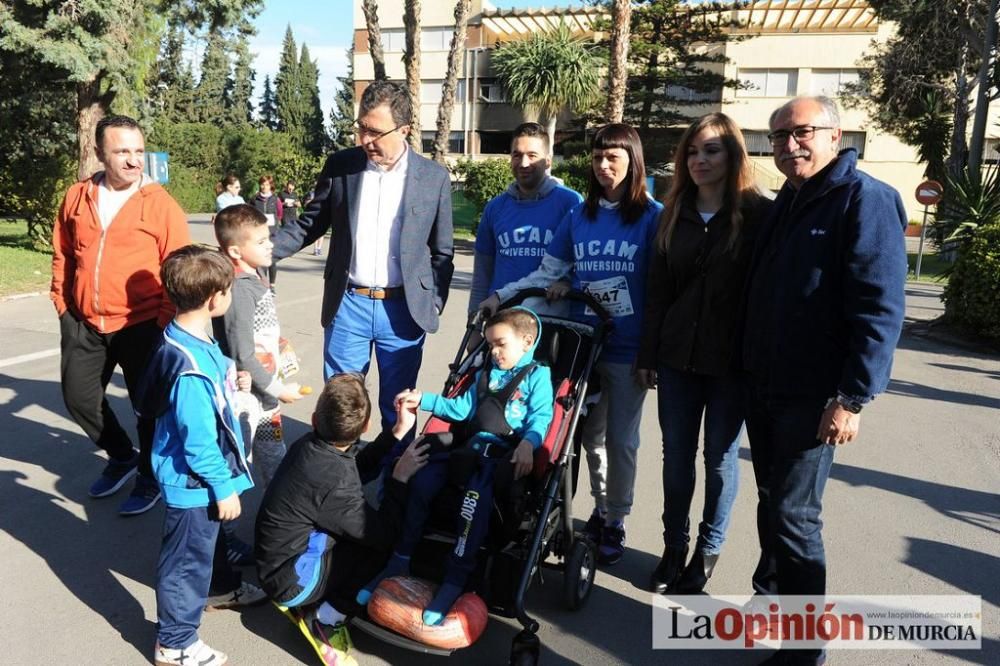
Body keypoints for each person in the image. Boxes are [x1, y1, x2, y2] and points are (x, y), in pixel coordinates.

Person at [742, 96, 906, 665]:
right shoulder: (789, 199)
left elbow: (879, 309)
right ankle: (772, 605)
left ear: (835, 135)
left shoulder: (866, 200)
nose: (789, 145)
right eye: (778, 137)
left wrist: (852, 398)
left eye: (801, 132)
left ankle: (804, 647)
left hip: (815, 398)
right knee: (772, 503)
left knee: (795, 515)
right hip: (765, 387)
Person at [481, 123, 662, 565]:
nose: (603, 166)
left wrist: (652, 351)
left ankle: (615, 519)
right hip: (584, 346)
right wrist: (501, 296)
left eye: (613, 158)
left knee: (621, 440)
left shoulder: (653, 216)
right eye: (598, 157)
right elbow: (547, 272)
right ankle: (593, 513)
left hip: (628, 350)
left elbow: (663, 289)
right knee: (587, 438)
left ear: (632, 161)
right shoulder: (580, 216)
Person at [271, 80, 454, 443]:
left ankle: (392, 486)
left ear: (404, 130)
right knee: (341, 406)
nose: (363, 139)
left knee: (398, 407)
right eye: (360, 128)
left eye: (373, 131)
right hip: (348, 306)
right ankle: (340, 486)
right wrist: (259, 248)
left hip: (403, 312)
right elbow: (309, 224)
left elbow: (442, 252)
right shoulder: (342, 167)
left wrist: (431, 303)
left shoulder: (432, 178)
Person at [635, 113, 770, 595]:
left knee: (719, 459)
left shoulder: (759, 215)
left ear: (733, 155)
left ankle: (707, 552)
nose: (699, 160)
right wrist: (647, 354)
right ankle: (674, 545)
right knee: (676, 458)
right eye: (692, 151)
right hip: (676, 360)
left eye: (711, 150)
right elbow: (657, 292)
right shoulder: (673, 213)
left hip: (731, 365)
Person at [357, 307, 553, 625]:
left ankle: (455, 577)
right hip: (467, 449)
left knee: (472, 503)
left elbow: (541, 417)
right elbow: (460, 410)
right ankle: (400, 558)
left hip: (500, 456)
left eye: (500, 343)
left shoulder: (536, 376)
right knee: (421, 481)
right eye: (490, 344)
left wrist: (529, 443)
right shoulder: (484, 374)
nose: (493, 351)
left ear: (527, 342)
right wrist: (425, 400)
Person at [50, 114, 192, 516]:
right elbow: (62, 253)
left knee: (148, 408)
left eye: (138, 151)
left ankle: (149, 474)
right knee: (78, 396)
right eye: (122, 152)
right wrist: (62, 303)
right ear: (99, 153)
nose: (133, 161)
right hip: (84, 320)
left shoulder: (160, 204)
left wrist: (165, 321)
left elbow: (179, 267)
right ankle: (120, 455)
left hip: (142, 323)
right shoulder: (77, 197)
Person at [134, 245, 266, 666]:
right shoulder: (189, 368)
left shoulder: (187, 335)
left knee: (197, 557)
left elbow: (211, 369)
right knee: (184, 567)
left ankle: (205, 603)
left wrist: (232, 377)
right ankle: (175, 643)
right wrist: (223, 488)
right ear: (215, 299)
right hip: (194, 485)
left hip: (196, 482)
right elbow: (198, 442)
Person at [255, 374, 429, 661]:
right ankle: (326, 616)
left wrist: (397, 432)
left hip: (275, 560)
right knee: (382, 546)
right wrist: (398, 480)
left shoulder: (309, 445)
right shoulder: (335, 487)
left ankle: (317, 598)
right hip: (290, 582)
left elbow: (353, 467)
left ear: (313, 419)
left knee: (361, 527)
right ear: (366, 426)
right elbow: (383, 532)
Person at [213, 204, 302, 486]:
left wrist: (279, 344)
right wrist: (278, 391)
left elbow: (256, 332)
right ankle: (224, 526)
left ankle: (281, 518)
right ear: (236, 251)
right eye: (261, 241)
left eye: (269, 238)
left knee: (273, 455)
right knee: (237, 460)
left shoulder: (255, 277)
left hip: (265, 396)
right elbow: (242, 354)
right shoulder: (239, 288)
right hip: (248, 398)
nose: (270, 246)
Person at [467, 122, 583, 316]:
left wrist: (567, 281)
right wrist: (474, 319)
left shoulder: (571, 203)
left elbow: (582, 261)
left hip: (550, 319)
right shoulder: (495, 208)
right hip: (501, 317)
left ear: (548, 161)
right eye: (517, 155)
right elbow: (482, 274)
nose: (523, 163)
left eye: (532, 155)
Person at [252, 175, 283, 286]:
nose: (264, 187)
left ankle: (272, 284)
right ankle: (263, 283)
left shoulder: (276, 199)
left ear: (271, 186)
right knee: (262, 260)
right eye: (262, 184)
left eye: (267, 184)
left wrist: (274, 224)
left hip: (272, 232)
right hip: (259, 233)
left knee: (272, 259)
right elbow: (250, 213)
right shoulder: (254, 199)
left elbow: (279, 214)